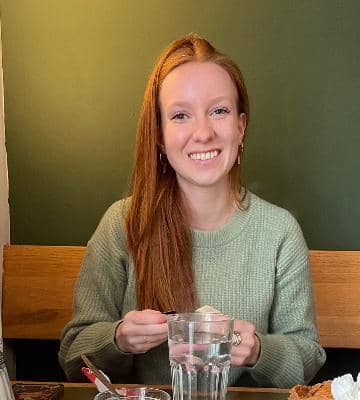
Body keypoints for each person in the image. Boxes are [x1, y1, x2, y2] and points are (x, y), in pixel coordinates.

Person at [59, 33, 326, 387]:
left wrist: (258, 351)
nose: (203, 133)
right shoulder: (122, 225)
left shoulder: (279, 232)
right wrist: (119, 338)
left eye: (219, 111)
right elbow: (73, 356)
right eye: (181, 115)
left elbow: (307, 357)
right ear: (159, 134)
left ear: (240, 127)